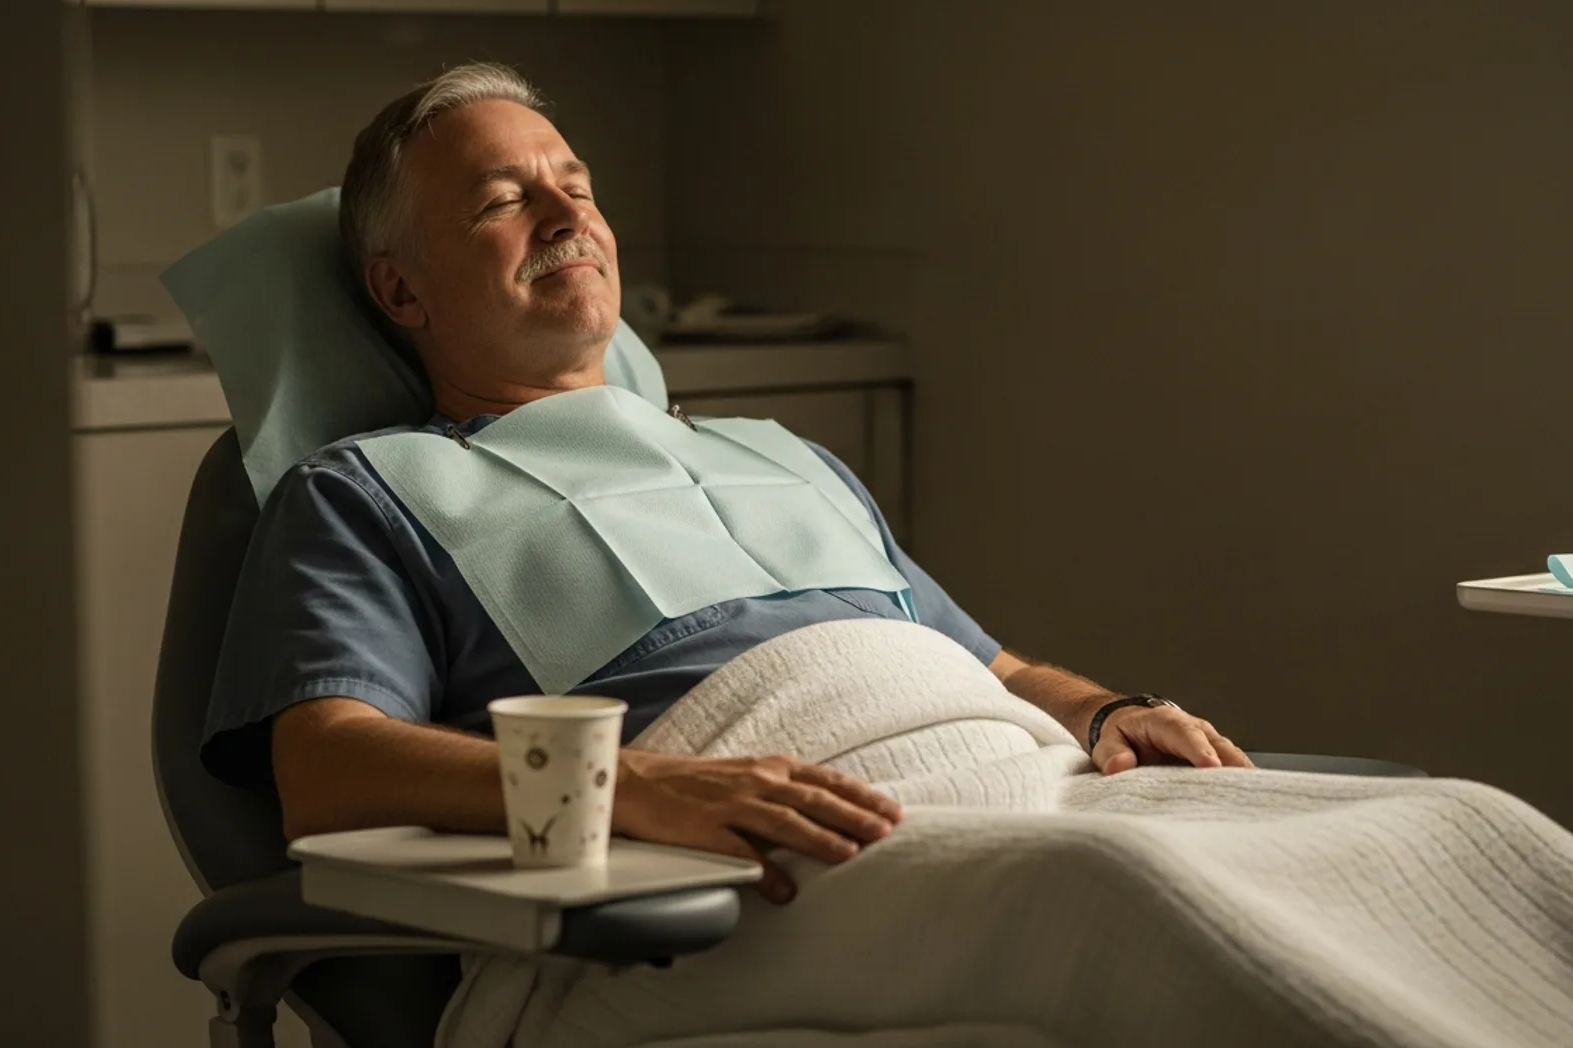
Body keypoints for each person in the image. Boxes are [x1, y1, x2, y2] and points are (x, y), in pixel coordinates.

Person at [204, 62, 1253, 904]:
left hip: (1032, 784)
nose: (564, 215)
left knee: (1397, 841)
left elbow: (991, 663)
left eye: (574, 186)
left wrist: (1105, 709)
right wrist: (633, 787)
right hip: (796, 856)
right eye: (501, 203)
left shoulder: (777, 453)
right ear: (398, 288)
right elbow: (326, 772)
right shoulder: (367, 491)